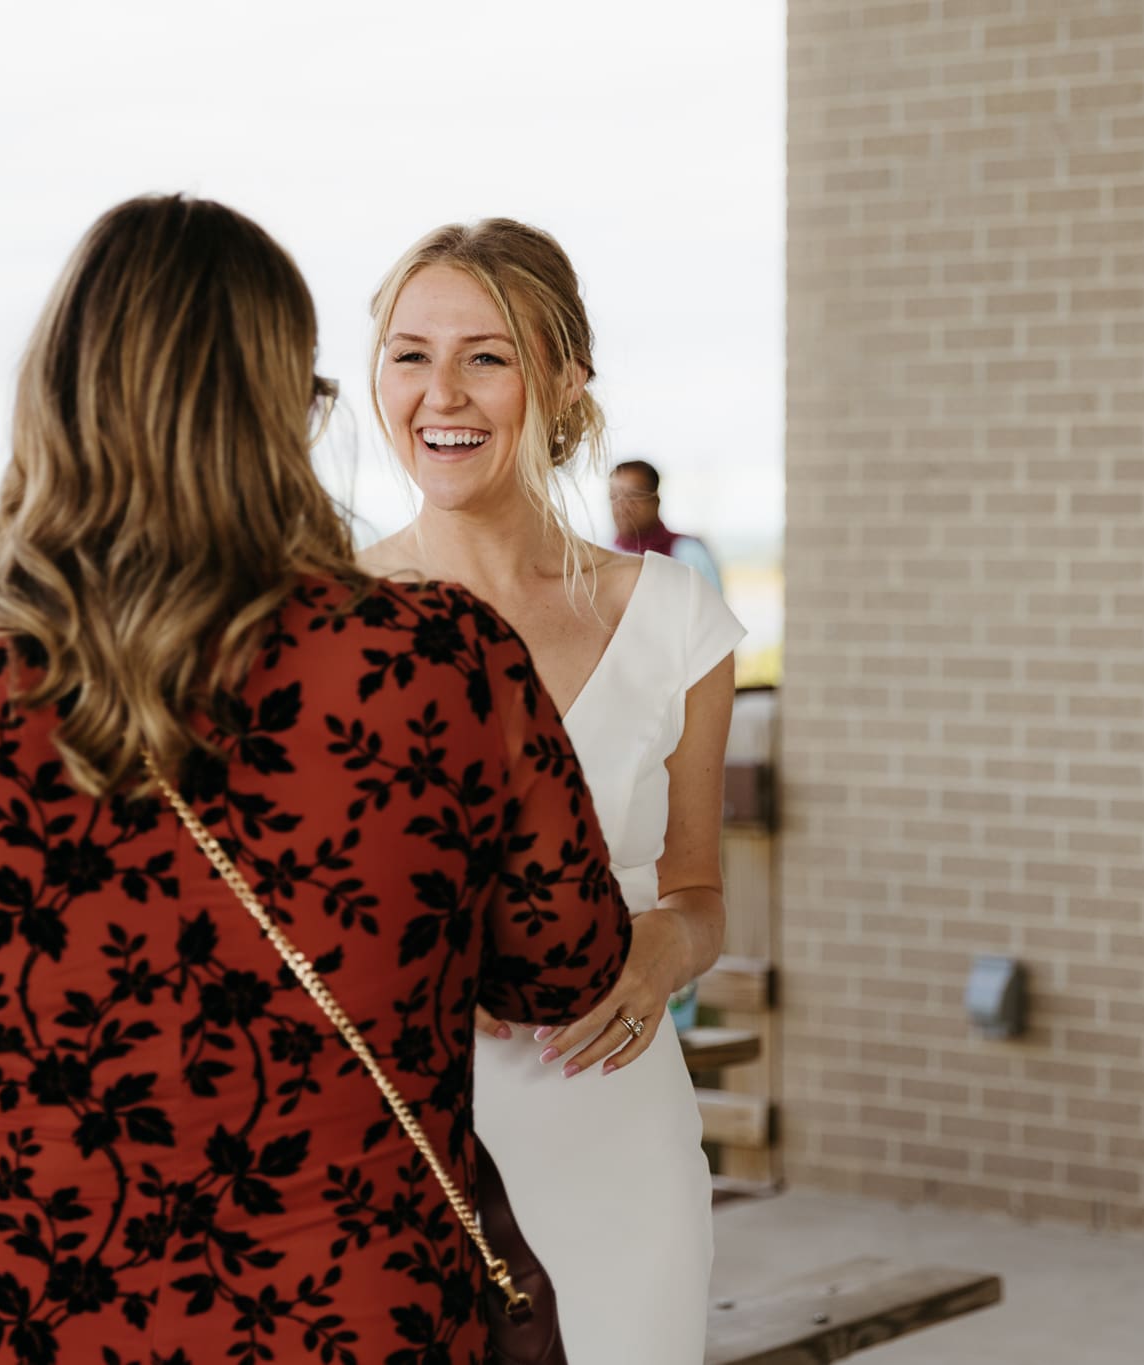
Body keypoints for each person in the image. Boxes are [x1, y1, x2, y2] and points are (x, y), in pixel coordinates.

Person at [0, 194, 634, 1364]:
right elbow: (566, 962)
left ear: (53, 407)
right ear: (289, 412)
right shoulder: (441, 663)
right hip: (355, 1318)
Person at [361, 220, 745, 1365]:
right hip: (386, 1147)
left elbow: (697, 892)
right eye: (408, 353)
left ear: (564, 379)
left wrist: (657, 956)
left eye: (487, 355)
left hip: (611, 1119)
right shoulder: (313, 614)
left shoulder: (674, 616)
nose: (442, 392)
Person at [609, 458, 724, 591]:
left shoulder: (687, 552)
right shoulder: (606, 554)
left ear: (655, 500)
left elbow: (713, 608)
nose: (622, 507)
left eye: (633, 495)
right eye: (614, 497)